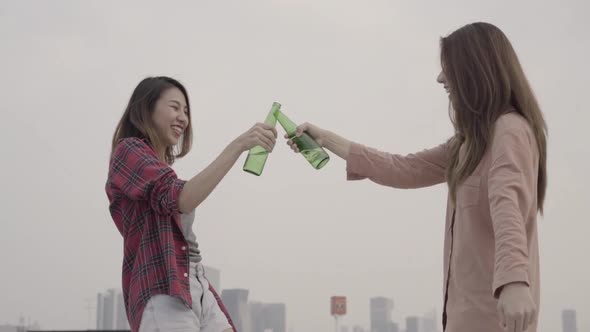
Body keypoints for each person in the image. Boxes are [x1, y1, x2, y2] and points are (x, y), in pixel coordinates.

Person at [286, 22, 547, 332]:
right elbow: (403, 168)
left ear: (475, 70)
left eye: (448, 68)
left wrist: (515, 281)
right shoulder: (467, 143)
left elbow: (508, 207)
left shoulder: (509, 130)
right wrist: (327, 139)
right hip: (461, 320)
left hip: (495, 319)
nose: (440, 77)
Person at [106, 76, 277, 332]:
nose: (184, 119)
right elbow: (182, 199)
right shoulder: (128, 151)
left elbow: (182, 196)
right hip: (164, 288)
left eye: (186, 111)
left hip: (195, 283)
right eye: (175, 107)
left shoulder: (161, 170)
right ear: (146, 109)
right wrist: (239, 145)